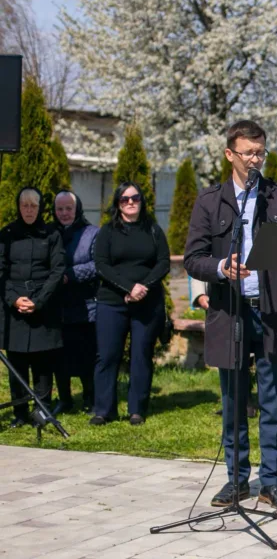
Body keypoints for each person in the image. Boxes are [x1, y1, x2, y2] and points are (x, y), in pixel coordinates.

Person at [185, 119, 277, 511]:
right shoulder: (210, 201)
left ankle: (272, 482)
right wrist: (221, 267)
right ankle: (236, 481)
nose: (256, 159)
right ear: (230, 155)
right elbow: (193, 258)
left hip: (271, 311)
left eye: (261, 152)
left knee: (273, 402)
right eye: (249, 153)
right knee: (234, 402)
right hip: (231, 313)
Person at [91, 182, 170, 427]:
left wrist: (142, 286)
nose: (130, 202)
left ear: (142, 200)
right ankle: (104, 410)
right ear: (117, 204)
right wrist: (129, 287)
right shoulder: (107, 231)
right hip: (112, 302)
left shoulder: (153, 230)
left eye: (135, 198)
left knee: (141, 356)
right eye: (124, 199)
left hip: (147, 302)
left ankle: (137, 409)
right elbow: (101, 264)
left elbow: (164, 262)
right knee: (107, 356)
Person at [0, 188, 65, 427]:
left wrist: (39, 301)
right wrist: (13, 299)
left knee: (42, 363)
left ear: (40, 208)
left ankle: (42, 410)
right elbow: (1, 272)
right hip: (14, 306)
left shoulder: (51, 234)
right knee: (16, 362)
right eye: (25, 205)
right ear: (18, 207)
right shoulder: (6, 234)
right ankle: (19, 413)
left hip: (43, 306)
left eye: (33, 206)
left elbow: (57, 270)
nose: (29, 210)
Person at [52, 190, 99, 415]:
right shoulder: (49, 233)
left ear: (77, 209)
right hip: (57, 307)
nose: (64, 213)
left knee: (86, 356)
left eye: (68, 208)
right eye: (59, 209)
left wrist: (68, 274)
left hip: (85, 306)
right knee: (59, 357)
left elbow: (97, 265)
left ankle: (90, 397)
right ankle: (64, 399)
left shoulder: (92, 233)